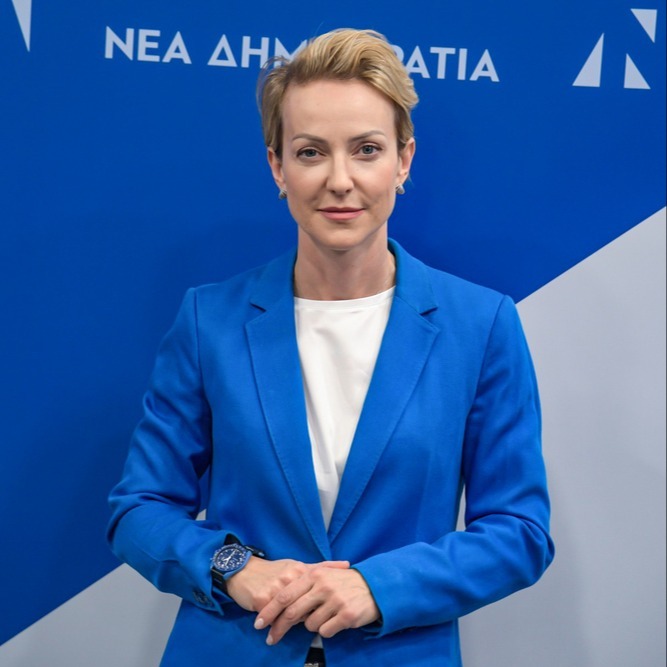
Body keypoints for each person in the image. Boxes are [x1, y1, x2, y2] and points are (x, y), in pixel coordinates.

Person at [107, 28, 554, 667]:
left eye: (366, 150)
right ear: (277, 166)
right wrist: (234, 565)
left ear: (403, 161)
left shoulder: (482, 326)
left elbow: (519, 532)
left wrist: (377, 586)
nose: (340, 180)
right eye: (311, 152)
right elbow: (140, 508)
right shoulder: (210, 320)